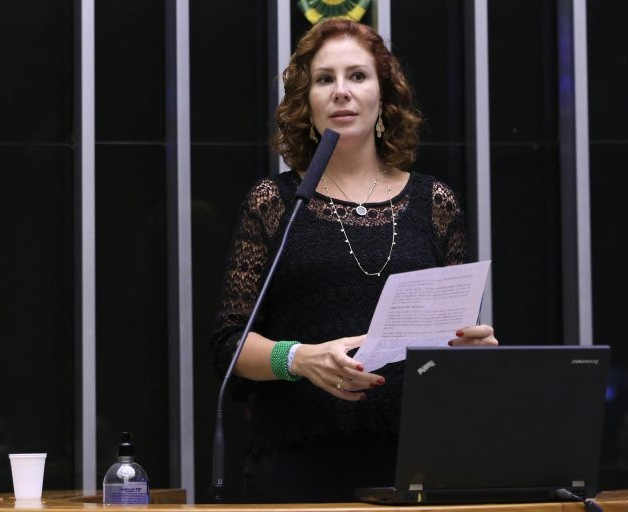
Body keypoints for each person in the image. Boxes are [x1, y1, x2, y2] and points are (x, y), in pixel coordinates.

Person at [210, 18, 497, 503]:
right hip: (298, 462)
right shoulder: (275, 201)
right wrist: (299, 358)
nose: (341, 91)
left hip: (415, 462)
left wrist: (471, 356)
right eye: (325, 79)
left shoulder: (436, 203)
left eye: (358, 76)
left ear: (384, 98)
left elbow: (448, 348)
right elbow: (228, 347)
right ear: (308, 105)